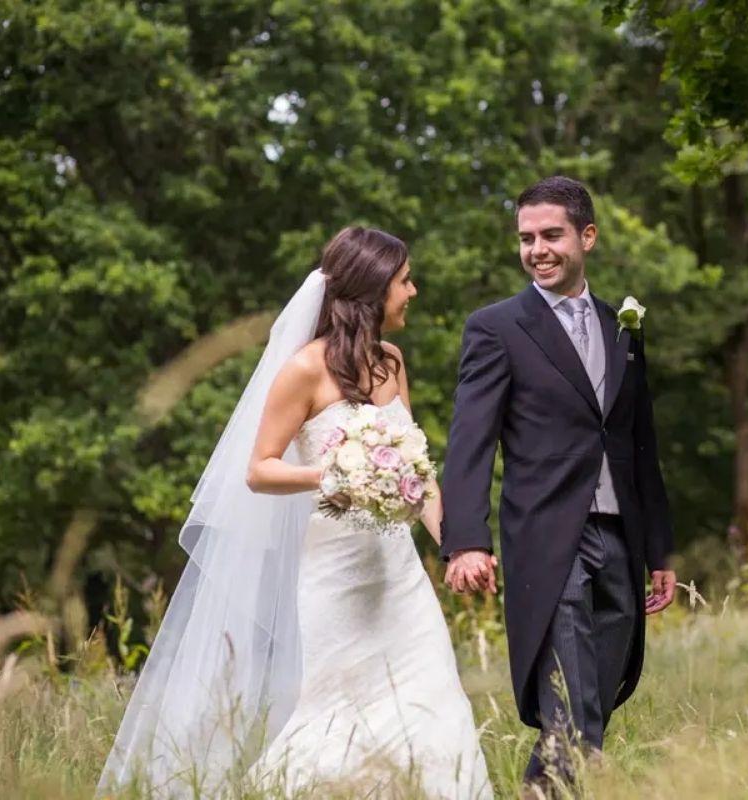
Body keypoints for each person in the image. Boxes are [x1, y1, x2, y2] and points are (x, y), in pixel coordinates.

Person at [99, 227, 492, 799]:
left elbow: (417, 471)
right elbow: (259, 468)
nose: (414, 292)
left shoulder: (391, 362)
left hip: (397, 575)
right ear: (373, 289)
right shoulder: (303, 370)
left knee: (431, 698)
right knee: (336, 716)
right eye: (405, 281)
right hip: (332, 576)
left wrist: (456, 546)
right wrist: (335, 476)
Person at [440, 176, 676, 793]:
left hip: (621, 538)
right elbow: (470, 440)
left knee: (594, 699)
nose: (537, 249)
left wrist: (660, 550)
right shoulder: (497, 328)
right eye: (526, 238)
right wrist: (467, 540)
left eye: (551, 235)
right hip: (548, 539)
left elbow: (638, 444)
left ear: (587, 236)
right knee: (569, 707)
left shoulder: (623, 325)